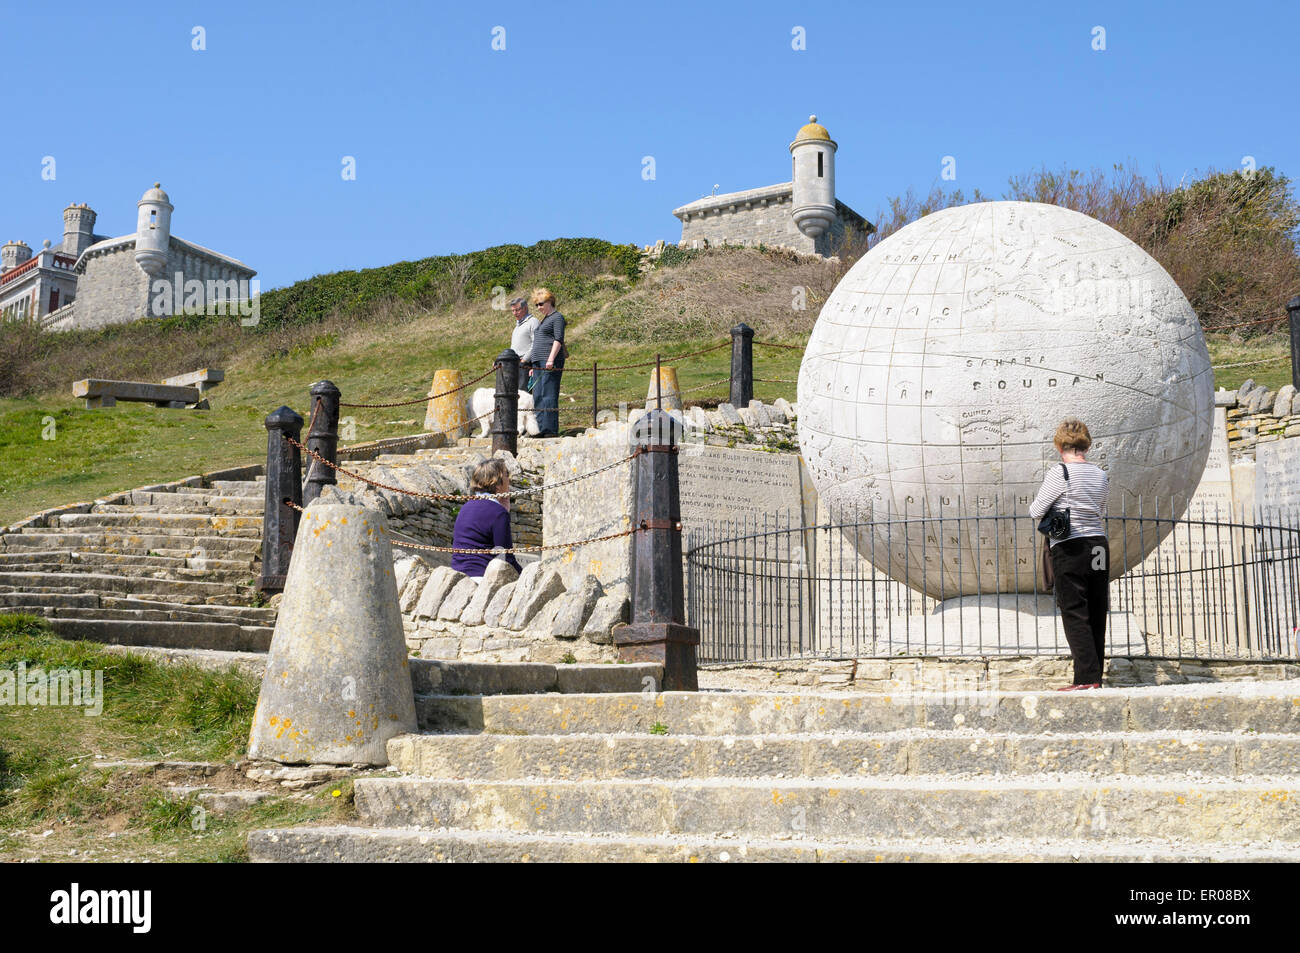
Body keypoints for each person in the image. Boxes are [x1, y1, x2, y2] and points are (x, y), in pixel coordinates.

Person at [1029, 418, 1111, 691]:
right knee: (1097, 608)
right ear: (1086, 444)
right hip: (1098, 543)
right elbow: (1100, 509)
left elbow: (1036, 509)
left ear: (1060, 445)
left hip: (1071, 546)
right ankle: (1095, 676)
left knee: (1074, 609)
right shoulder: (1100, 474)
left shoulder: (1059, 473)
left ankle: (1086, 679)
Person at [451, 459, 522, 578]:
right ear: (497, 484)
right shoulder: (498, 513)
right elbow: (506, 557)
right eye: (506, 475)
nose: (508, 479)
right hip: (481, 576)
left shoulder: (466, 507)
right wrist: (524, 574)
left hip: (458, 573)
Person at [526, 287, 565, 437]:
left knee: (548, 393)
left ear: (549, 301)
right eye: (536, 305)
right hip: (538, 362)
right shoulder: (545, 320)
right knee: (538, 395)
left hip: (549, 361)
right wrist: (533, 366)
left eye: (541, 304)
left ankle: (549, 429)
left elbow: (558, 339)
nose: (539, 308)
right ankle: (540, 428)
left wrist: (551, 358)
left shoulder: (557, 318)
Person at [508, 297, 539, 389]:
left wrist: (524, 360)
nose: (514, 313)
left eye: (517, 310)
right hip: (515, 364)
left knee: (524, 394)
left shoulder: (533, 322)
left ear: (525, 308)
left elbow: (536, 343)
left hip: (526, 365)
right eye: (513, 311)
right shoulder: (517, 326)